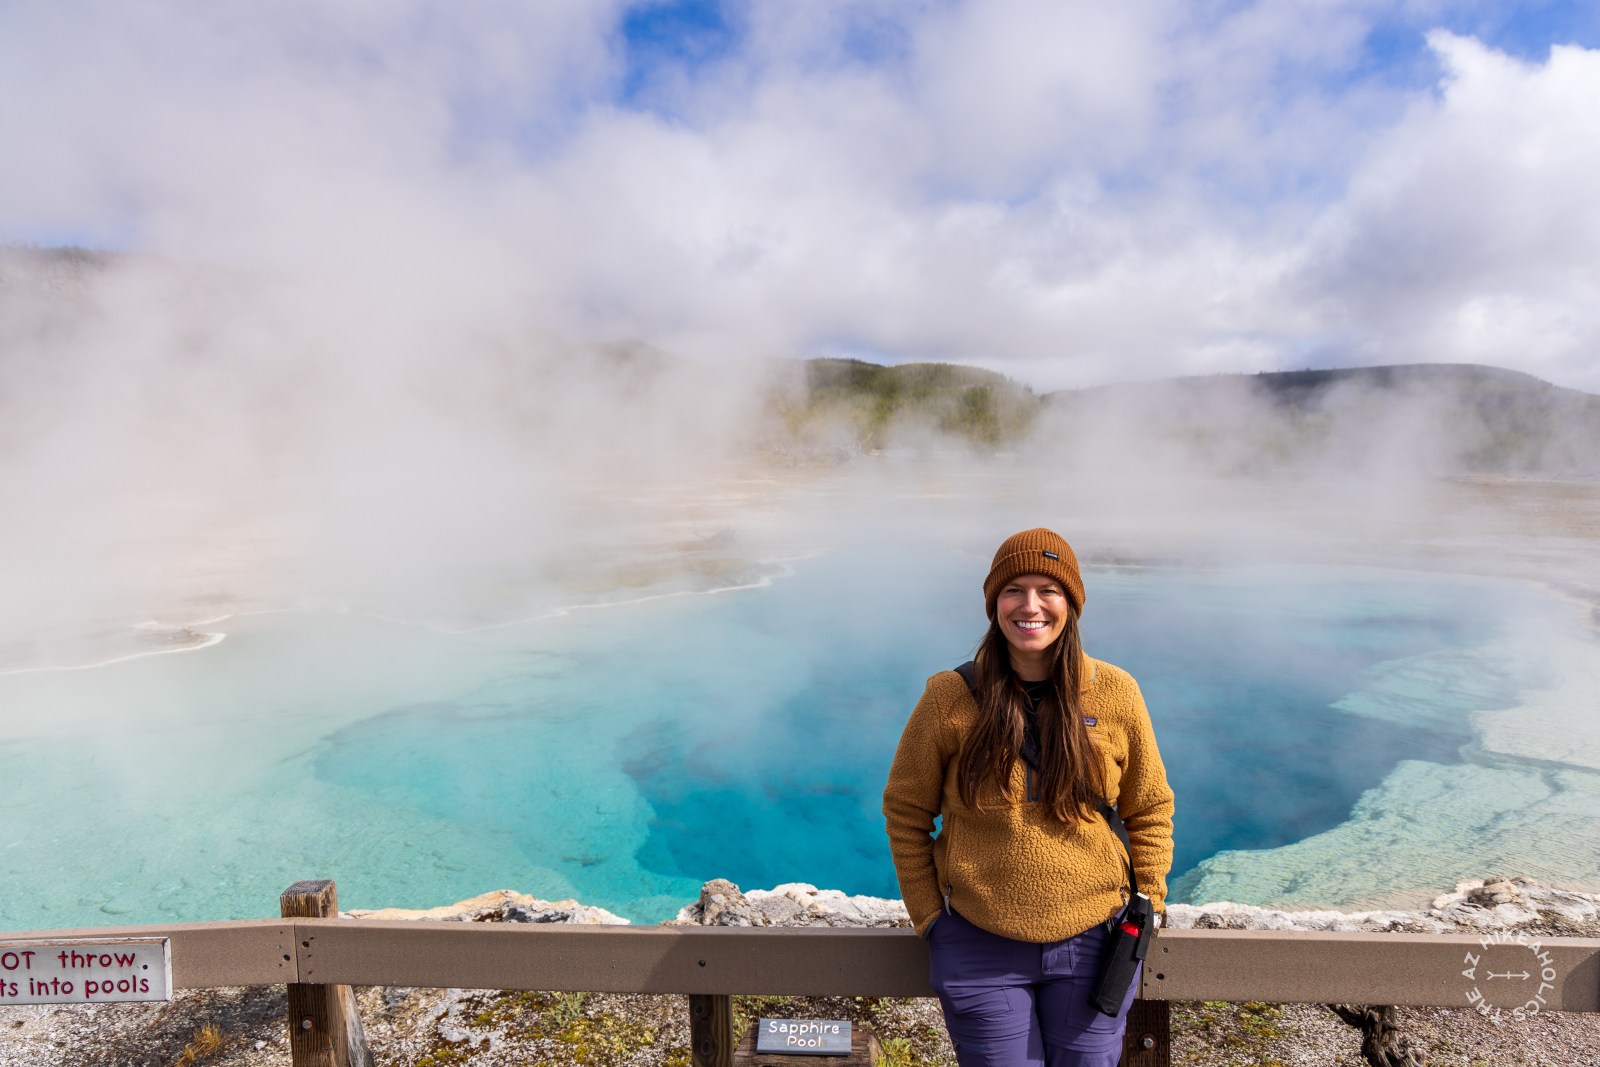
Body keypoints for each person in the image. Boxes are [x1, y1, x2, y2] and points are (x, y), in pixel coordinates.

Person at [882, 528, 1175, 1067]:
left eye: (1049, 590)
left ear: (1072, 604)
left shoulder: (1115, 692)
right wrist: (929, 918)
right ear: (995, 602)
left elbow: (1149, 806)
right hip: (978, 944)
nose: (1030, 606)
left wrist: (1149, 901)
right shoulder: (950, 696)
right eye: (1015, 589)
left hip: (1093, 940)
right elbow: (905, 811)